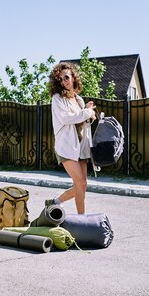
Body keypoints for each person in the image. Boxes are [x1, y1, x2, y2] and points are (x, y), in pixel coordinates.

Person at [47, 62, 96, 214]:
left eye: (66, 77)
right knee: (80, 182)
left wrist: (90, 116)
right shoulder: (57, 99)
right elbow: (67, 118)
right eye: (60, 79)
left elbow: (81, 120)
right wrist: (87, 112)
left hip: (81, 145)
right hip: (66, 147)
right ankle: (82, 219)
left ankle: (56, 202)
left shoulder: (79, 100)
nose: (64, 81)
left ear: (74, 77)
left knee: (82, 185)